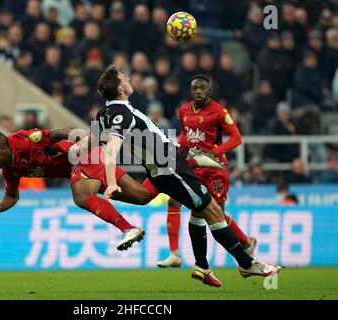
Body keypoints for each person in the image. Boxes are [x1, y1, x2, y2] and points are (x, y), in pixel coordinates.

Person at [93, 65, 281, 287]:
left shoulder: (104, 113)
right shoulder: (121, 114)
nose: (128, 79)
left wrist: (73, 151)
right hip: (169, 168)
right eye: (124, 78)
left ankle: (202, 266)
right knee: (212, 210)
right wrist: (112, 182)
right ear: (120, 90)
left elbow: (93, 140)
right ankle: (246, 263)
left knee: (198, 212)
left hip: (169, 163)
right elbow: (111, 149)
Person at [0, 128, 220, 252]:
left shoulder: (21, 140)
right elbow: (11, 195)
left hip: (82, 156)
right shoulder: (9, 170)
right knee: (143, 196)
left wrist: (87, 138)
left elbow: (55, 134)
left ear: (3, 147)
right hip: (91, 164)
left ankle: (128, 228)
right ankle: (186, 160)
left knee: (82, 196)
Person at [157, 75, 257, 269]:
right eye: (195, 88)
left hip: (215, 169)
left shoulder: (219, 112)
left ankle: (246, 243)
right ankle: (174, 254)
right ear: (191, 91)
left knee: (217, 215)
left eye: (202, 88)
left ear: (209, 91)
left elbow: (236, 139)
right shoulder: (184, 110)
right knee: (174, 200)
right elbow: (187, 133)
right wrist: (176, 151)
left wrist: (214, 153)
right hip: (194, 167)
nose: (199, 91)